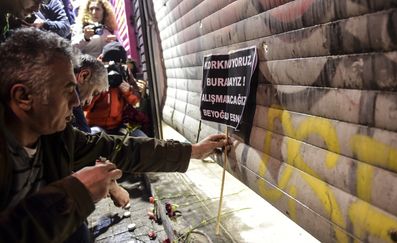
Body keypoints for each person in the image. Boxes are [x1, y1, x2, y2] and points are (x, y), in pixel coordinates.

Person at [0, 28, 229, 242]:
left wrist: (192, 151)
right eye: (68, 90)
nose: (78, 101)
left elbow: (123, 149)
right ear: (23, 97)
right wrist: (75, 194)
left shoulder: (54, 137)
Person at [85, 42, 148, 137]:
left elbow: (136, 102)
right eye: (109, 64)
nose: (113, 67)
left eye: (117, 64)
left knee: (143, 140)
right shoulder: (95, 71)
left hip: (119, 125)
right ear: (102, 61)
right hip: (95, 125)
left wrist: (127, 90)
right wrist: (97, 88)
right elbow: (84, 106)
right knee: (94, 135)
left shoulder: (124, 72)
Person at [72, 53, 108, 133]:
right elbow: (85, 135)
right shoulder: (70, 94)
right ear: (84, 76)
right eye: (94, 93)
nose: (89, 101)